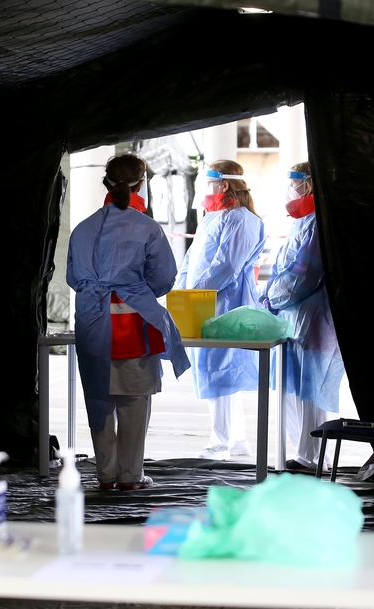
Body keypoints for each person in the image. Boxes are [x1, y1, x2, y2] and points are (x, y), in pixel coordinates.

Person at [67, 154, 190, 491]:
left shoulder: (82, 228)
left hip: (93, 322)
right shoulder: (148, 228)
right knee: (134, 402)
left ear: (106, 182)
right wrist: (133, 289)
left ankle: (105, 475)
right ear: (141, 183)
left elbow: (73, 278)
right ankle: (131, 476)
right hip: (134, 326)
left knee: (99, 397)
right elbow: (164, 278)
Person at [176, 160, 266, 460]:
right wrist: (180, 291)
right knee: (213, 371)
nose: (205, 190)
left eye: (209, 182)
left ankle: (221, 443)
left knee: (222, 372)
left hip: (225, 304)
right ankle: (236, 441)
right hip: (202, 304)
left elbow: (227, 266)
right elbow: (192, 258)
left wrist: (196, 290)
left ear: (224, 184)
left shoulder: (241, 219)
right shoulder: (211, 218)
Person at [261, 162, 345, 471]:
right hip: (293, 315)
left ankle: (311, 457)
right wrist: (270, 295)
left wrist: (275, 296)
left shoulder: (318, 223)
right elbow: (285, 266)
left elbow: (306, 272)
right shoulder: (300, 221)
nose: (290, 189)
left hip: (314, 316)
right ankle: (299, 452)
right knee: (291, 385)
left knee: (311, 387)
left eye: (294, 183)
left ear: (308, 184)